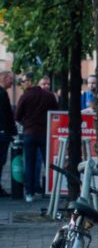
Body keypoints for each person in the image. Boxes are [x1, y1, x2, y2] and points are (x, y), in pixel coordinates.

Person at [15, 74, 58, 203]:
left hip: (29, 133)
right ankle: (51, 190)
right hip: (45, 134)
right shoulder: (50, 96)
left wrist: (26, 123)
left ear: (30, 82)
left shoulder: (25, 96)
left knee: (29, 164)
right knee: (48, 163)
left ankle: (29, 193)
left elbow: (17, 116)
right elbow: (55, 112)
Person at [0, 71, 16, 197]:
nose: (12, 82)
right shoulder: (2, 93)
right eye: (10, 79)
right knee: (1, 160)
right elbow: (5, 115)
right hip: (2, 133)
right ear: (3, 78)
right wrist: (9, 131)